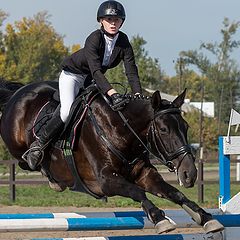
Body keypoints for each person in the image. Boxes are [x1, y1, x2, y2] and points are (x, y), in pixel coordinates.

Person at [26, 0, 142, 170]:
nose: (113, 23)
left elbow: (131, 70)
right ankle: (39, 145)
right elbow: (96, 70)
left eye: (117, 20)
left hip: (90, 79)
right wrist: (112, 93)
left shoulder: (123, 41)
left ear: (122, 22)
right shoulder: (94, 38)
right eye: (109, 19)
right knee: (66, 111)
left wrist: (137, 94)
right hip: (72, 76)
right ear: (100, 21)